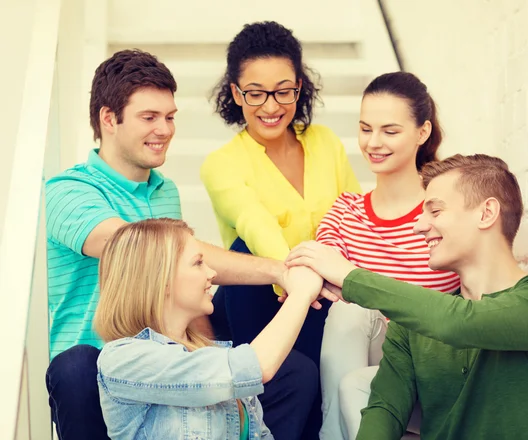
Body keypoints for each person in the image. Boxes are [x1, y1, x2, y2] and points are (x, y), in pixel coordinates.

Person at [45, 49, 333, 440]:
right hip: (106, 366)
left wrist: (214, 356)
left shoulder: (165, 192)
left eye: (170, 117)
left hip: (172, 354)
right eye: (149, 117)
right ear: (109, 119)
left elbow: (180, 291)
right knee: (74, 366)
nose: (164, 129)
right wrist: (284, 270)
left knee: (295, 372)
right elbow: (148, 253)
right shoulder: (68, 191)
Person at [287, 154, 528, 440]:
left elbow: (460, 323)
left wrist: (351, 276)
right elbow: (385, 410)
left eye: (435, 211)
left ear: (486, 213)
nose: (419, 226)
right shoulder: (411, 328)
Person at [201, 21, 361, 437]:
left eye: (283, 90)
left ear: (300, 88)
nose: (270, 105)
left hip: (329, 295)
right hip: (263, 297)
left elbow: (353, 214)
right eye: (255, 92)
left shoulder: (325, 142)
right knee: (244, 250)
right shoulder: (221, 163)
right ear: (236, 93)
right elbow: (256, 225)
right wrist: (299, 281)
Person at [315, 72, 460, 440]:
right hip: (369, 375)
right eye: (365, 129)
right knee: (350, 308)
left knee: (355, 299)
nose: (373, 143)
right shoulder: (345, 213)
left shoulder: (447, 211)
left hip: (434, 373)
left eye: (390, 131)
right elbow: (322, 273)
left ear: (422, 132)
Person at [94, 218, 323, 440]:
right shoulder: (126, 359)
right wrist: (301, 293)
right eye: (198, 263)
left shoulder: (214, 358)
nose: (212, 274)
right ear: (160, 279)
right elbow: (255, 367)